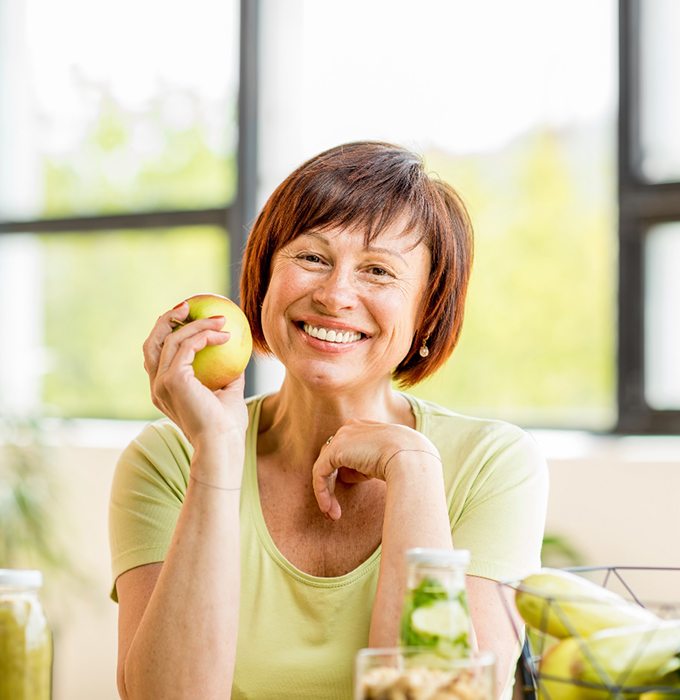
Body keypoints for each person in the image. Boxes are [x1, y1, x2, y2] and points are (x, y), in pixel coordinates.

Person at [109, 141, 548, 700]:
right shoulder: (167, 460)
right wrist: (216, 456)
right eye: (312, 257)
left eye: (378, 271)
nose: (336, 294)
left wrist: (412, 468)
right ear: (264, 276)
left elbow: (436, 696)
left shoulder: (492, 464)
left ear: (427, 310)